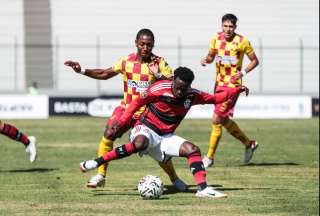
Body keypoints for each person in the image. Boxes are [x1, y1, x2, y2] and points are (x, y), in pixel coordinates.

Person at [79, 67, 248, 198]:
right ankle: (96, 162)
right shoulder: (159, 87)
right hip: (144, 127)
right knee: (140, 143)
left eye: (184, 88)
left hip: (165, 136)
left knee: (193, 150)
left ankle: (203, 189)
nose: (180, 92)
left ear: (189, 86)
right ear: (173, 80)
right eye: (178, 87)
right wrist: (122, 122)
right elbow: (136, 103)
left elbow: (216, 98)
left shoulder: (192, 95)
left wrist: (236, 90)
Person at [64, 28, 186, 190]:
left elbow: (172, 85)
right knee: (109, 132)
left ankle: (174, 178)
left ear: (153, 45)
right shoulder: (126, 62)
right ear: (136, 43)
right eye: (142, 44)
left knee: (154, 148)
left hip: (148, 114)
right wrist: (82, 70)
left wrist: (157, 75)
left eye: (149, 45)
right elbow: (104, 73)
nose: (145, 48)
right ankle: (101, 175)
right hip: (127, 108)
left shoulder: (159, 63)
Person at [200, 13, 260, 168]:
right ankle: (249, 144)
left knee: (216, 119)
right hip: (219, 84)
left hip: (233, 87)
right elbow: (211, 56)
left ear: (235, 27)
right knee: (223, 120)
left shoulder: (242, 41)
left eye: (231, 26)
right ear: (221, 26)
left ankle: (209, 157)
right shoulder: (216, 39)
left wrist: (243, 72)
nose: (228, 29)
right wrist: (205, 60)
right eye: (225, 26)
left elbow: (255, 60)